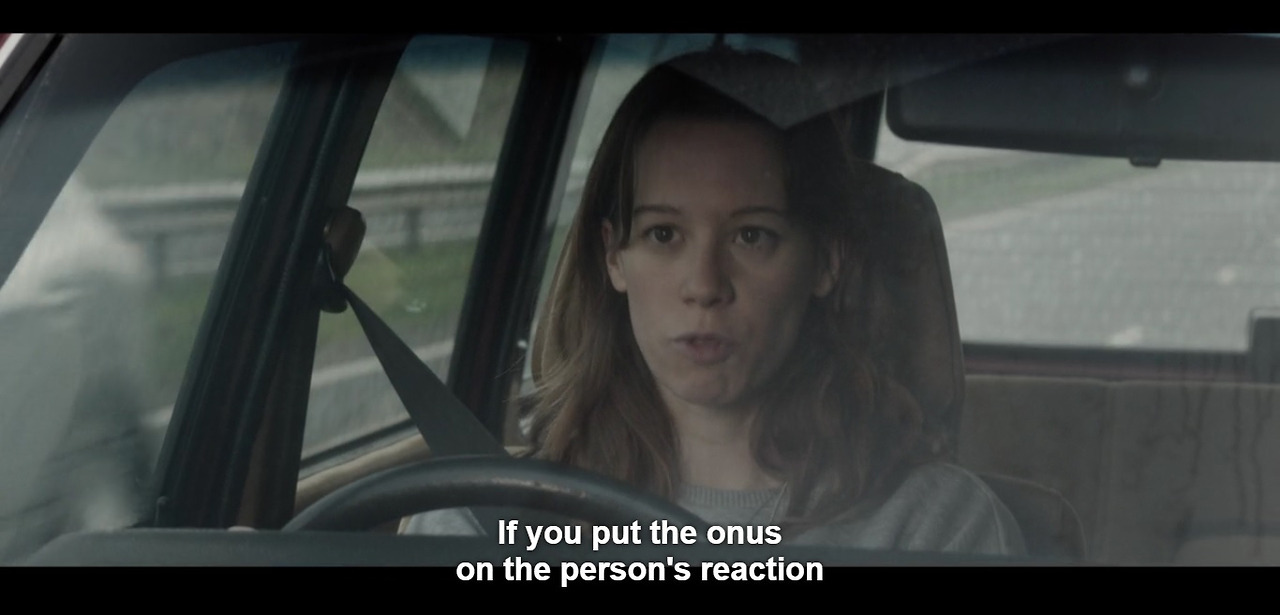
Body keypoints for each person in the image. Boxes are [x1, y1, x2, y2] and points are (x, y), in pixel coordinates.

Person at [405, 48, 1025, 556]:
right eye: (663, 234)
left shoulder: (934, 531)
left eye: (752, 236)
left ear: (825, 262)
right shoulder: (483, 522)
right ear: (614, 257)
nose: (704, 285)